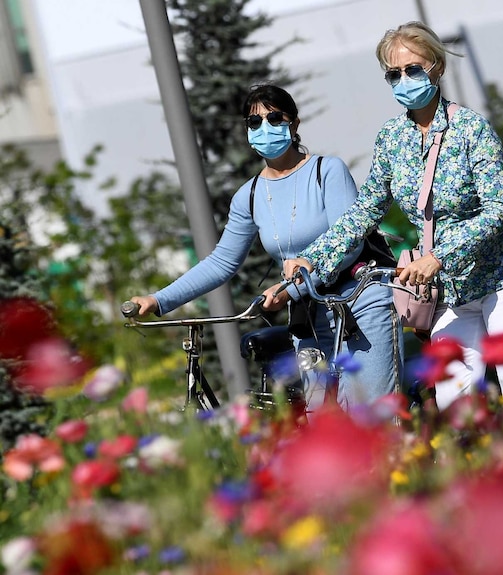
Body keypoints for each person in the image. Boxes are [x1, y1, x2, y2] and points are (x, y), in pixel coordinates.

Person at [286, 21, 503, 410]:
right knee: (454, 405)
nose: (404, 79)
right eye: (394, 74)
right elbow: (366, 208)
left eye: (413, 69)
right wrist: (314, 257)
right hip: (449, 295)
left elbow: (498, 211)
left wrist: (439, 256)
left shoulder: (472, 129)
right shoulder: (392, 137)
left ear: (436, 67)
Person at [127, 84, 402, 408]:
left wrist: (290, 290)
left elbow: (350, 245)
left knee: (366, 417)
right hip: (309, 318)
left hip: (358, 304)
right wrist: (158, 301)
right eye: (254, 123)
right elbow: (221, 263)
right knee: (322, 425)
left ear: (294, 124)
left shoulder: (326, 171)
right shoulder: (250, 195)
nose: (264, 128)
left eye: (274, 118)